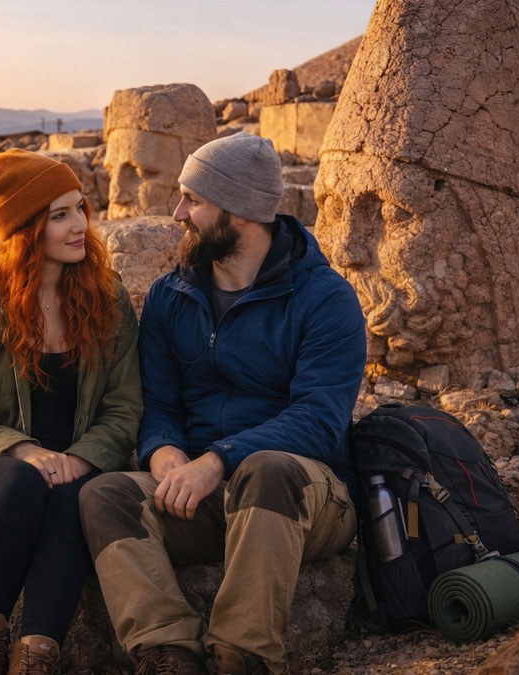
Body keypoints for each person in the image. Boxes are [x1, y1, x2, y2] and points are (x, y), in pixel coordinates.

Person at [78, 132, 366, 675]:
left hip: (306, 496)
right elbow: (159, 403)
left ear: (238, 211)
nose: (177, 213)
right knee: (105, 494)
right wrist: (165, 457)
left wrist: (218, 460)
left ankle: (243, 657)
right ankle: (167, 652)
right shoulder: (171, 295)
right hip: (205, 496)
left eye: (193, 200)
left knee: (266, 468)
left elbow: (319, 421)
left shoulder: (325, 298)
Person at [0, 149, 142, 675]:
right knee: (27, 481)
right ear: (26, 229)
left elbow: (124, 406)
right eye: (60, 215)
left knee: (75, 494)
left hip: (79, 469)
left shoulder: (108, 296)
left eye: (80, 209)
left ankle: (37, 657)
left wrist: (82, 457)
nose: (80, 226)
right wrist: (25, 450)